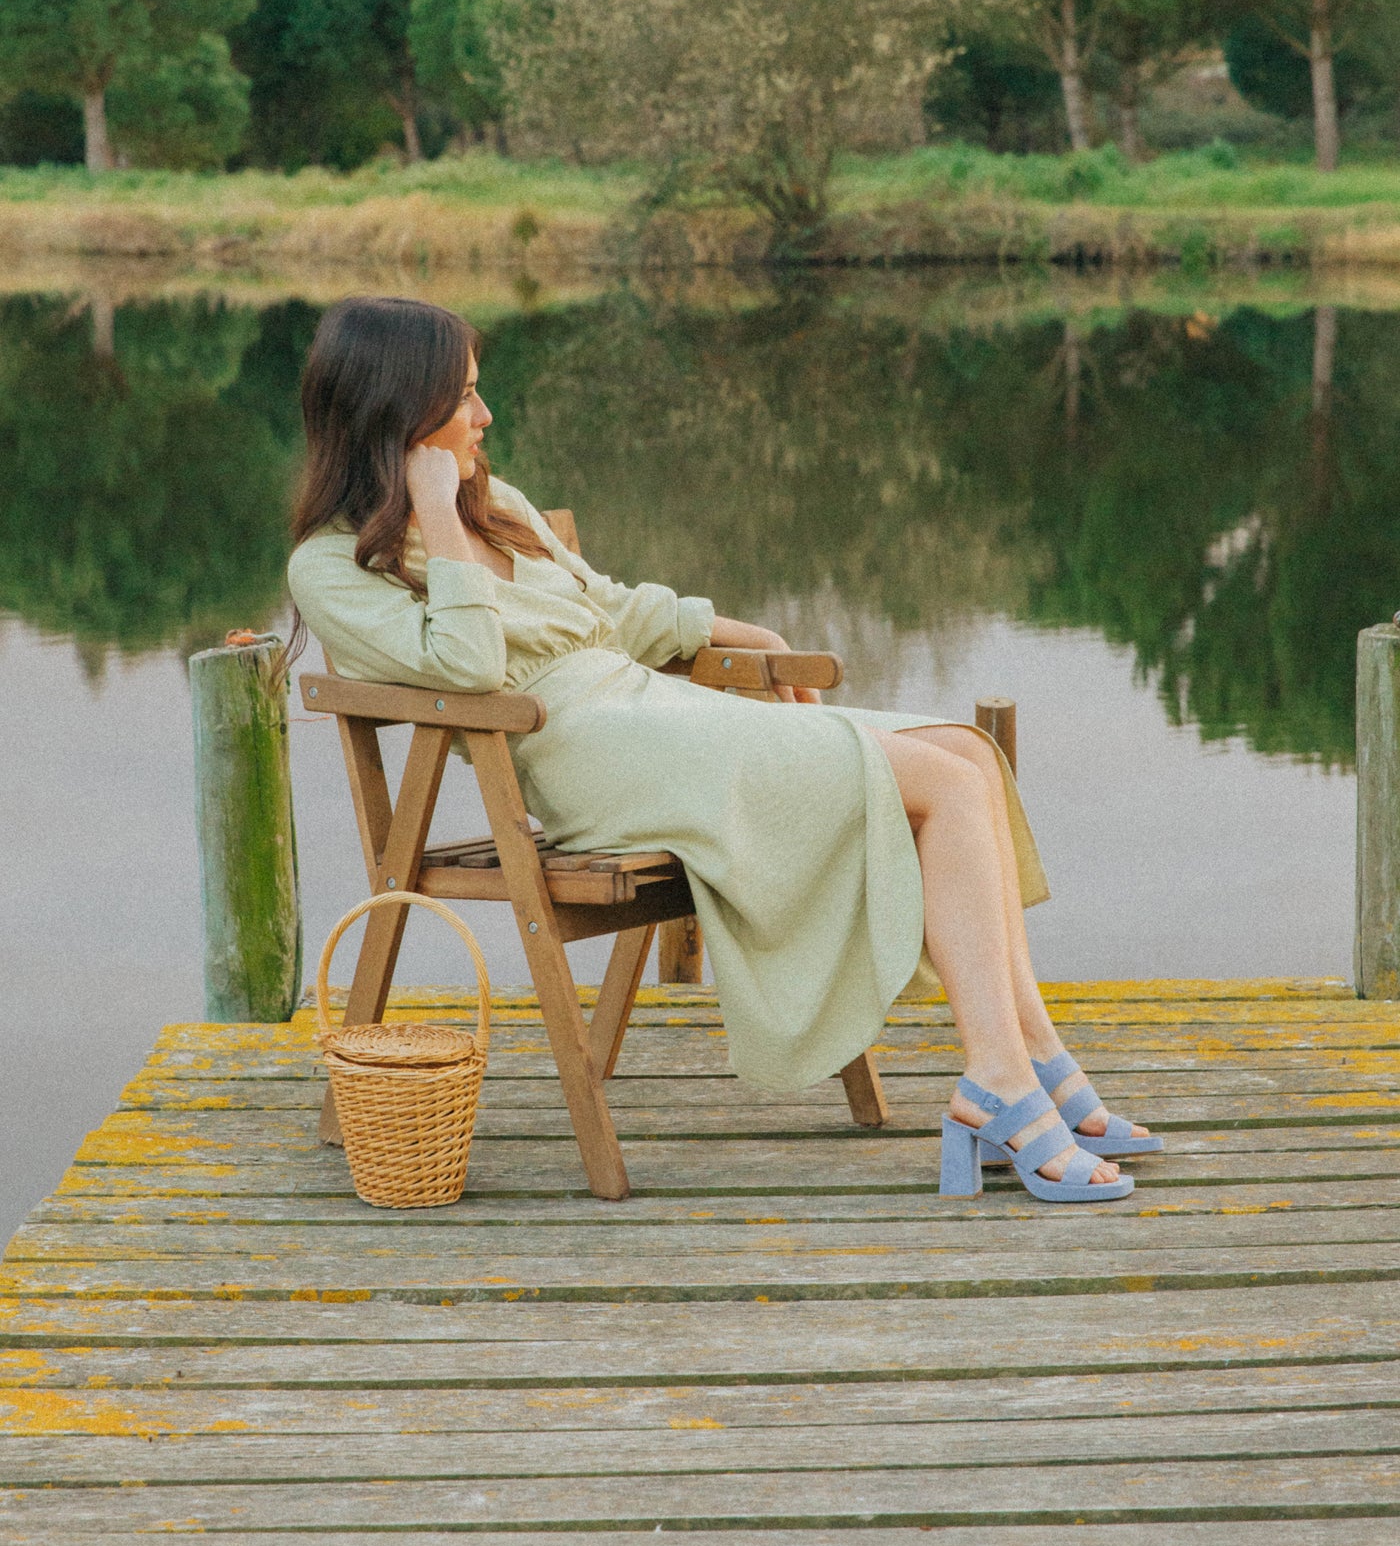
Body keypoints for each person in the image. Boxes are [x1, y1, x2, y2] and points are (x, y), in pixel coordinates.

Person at [287, 297, 1161, 1204]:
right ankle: (1001, 1089)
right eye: (463, 396)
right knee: (936, 782)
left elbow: (607, 612)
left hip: (653, 714)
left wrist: (736, 627)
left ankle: (1033, 1058)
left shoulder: (493, 503)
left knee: (966, 754)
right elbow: (465, 672)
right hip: (584, 753)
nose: (485, 415)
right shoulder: (330, 565)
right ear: (398, 410)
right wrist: (432, 512)